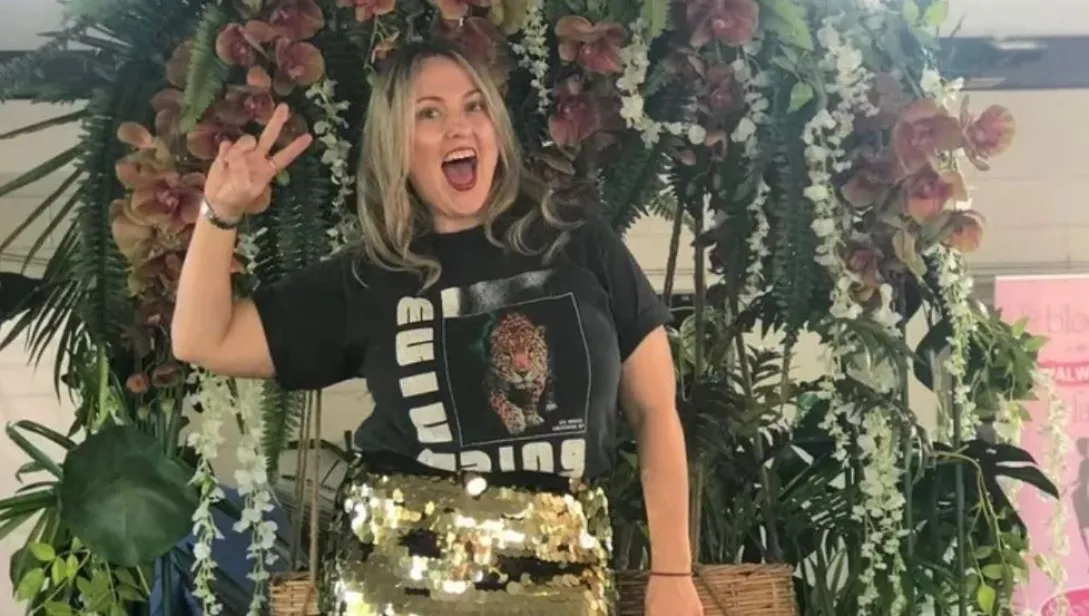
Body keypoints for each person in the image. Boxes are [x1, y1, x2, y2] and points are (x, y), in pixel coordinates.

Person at [172, 39, 701, 615]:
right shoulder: (370, 277)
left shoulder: (578, 241)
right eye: (429, 113)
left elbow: (654, 409)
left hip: (563, 583)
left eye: (474, 107)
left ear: (495, 128)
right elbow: (202, 339)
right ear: (396, 147)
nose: (458, 127)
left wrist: (673, 571)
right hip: (396, 584)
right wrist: (220, 213)